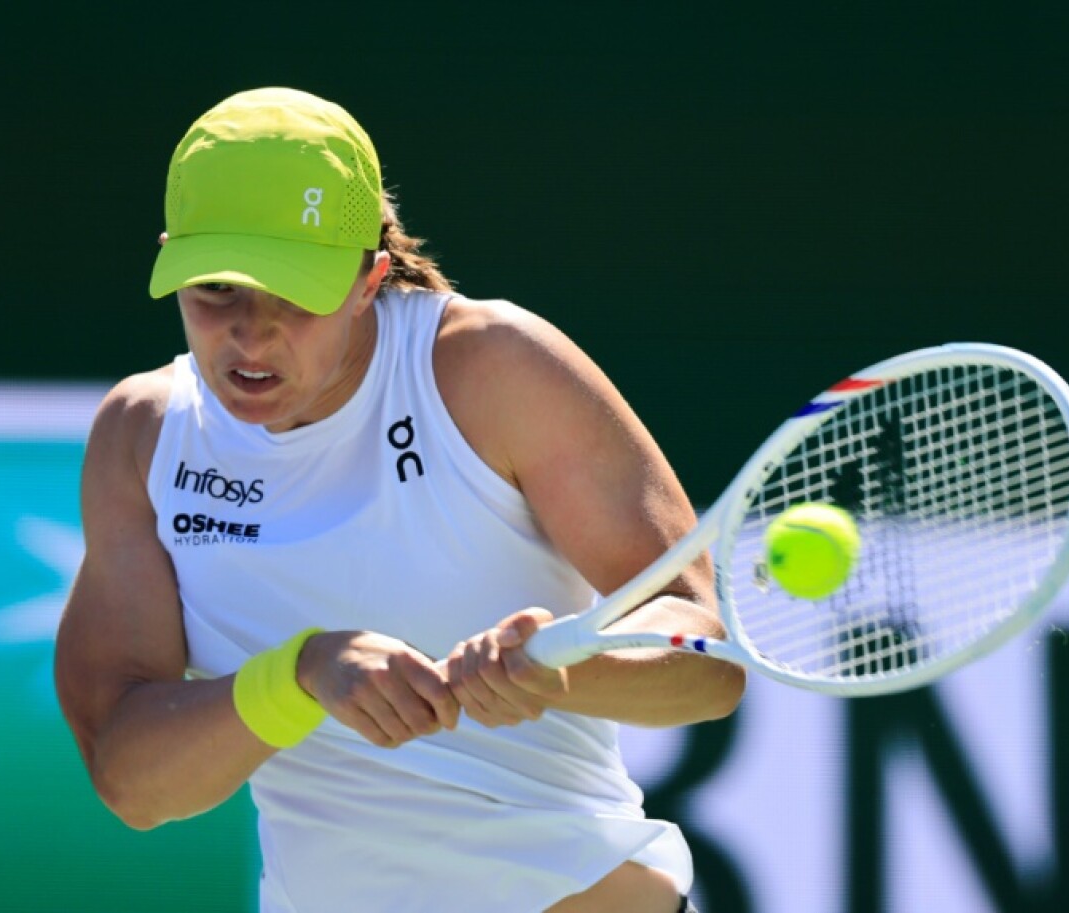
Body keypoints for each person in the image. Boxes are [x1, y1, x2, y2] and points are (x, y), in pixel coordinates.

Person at [54, 86, 745, 913]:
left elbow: (708, 656)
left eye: (295, 294)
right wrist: (298, 674)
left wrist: (562, 672)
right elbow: (133, 783)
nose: (251, 334)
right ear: (171, 259)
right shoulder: (142, 434)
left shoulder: (491, 368)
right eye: (217, 291)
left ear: (367, 277)